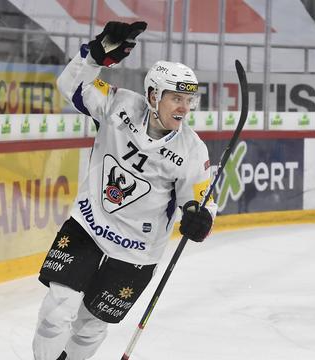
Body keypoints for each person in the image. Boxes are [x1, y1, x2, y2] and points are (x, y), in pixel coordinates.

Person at [32, 21, 217, 360]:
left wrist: (199, 217)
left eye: (188, 100)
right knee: (56, 313)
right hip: (88, 226)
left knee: (90, 327)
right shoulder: (118, 105)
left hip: (136, 252)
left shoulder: (193, 149)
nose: (183, 108)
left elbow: (201, 199)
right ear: (152, 95)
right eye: (176, 98)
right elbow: (68, 85)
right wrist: (95, 57)